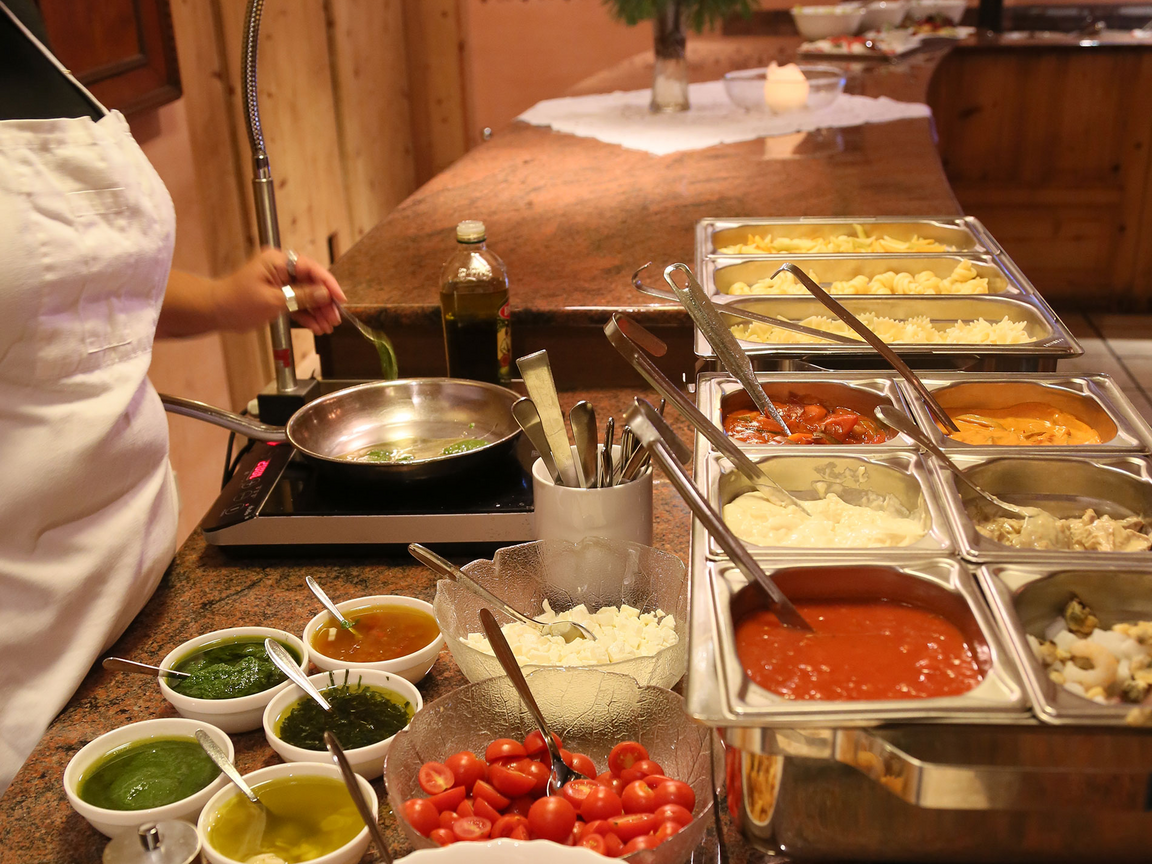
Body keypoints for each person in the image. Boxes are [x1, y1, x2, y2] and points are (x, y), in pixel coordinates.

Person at [0, 0, 346, 791]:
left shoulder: (28, 24)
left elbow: (58, 291)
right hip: (19, 651)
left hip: (140, 587)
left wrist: (223, 300)